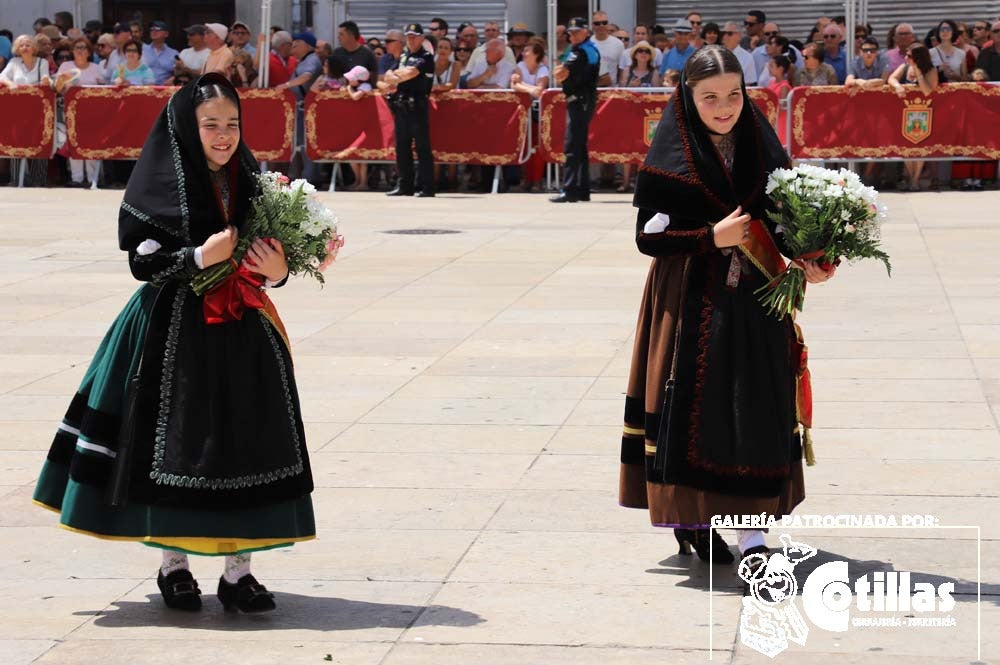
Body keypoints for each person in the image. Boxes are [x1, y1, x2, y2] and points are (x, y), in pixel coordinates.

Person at [32, 73, 320, 613]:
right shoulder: (158, 183)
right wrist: (196, 258)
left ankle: (240, 572)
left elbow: (273, 252)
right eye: (210, 124)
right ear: (187, 126)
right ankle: (174, 566)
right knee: (172, 441)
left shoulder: (253, 179)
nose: (223, 134)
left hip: (244, 327)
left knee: (248, 438)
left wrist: (279, 270)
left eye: (232, 124)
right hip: (172, 329)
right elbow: (142, 263)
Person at [621, 45, 832, 570]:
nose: (724, 106)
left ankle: (750, 530)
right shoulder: (671, 157)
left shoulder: (763, 150)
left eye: (734, 95)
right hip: (691, 297)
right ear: (688, 97)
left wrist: (816, 259)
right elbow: (649, 241)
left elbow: (787, 225)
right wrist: (710, 237)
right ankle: (695, 520)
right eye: (710, 96)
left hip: (758, 300)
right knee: (698, 410)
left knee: (754, 408)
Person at [550, 18, 599, 203]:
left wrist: (561, 72)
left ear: (586, 31)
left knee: (572, 147)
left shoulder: (582, 51)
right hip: (582, 101)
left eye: (576, 31)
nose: (572, 35)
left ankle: (570, 190)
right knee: (580, 146)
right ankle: (582, 190)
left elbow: (562, 73)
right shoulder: (588, 49)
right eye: (570, 32)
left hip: (580, 101)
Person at [383, 23, 435, 197]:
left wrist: (397, 76)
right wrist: (398, 75)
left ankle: (426, 187)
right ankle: (405, 185)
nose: (411, 40)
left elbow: (411, 73)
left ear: (421, 38)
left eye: (414, 36)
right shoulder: (403, 55)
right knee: (402, 148)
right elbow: (388, 75)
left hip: (417, 106)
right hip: (401, 106)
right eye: (408, 36)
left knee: (422, 148)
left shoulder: (426, 56)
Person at [54, 37, 107, 187]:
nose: (80, 50)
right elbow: (57, 89)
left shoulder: (96, 68)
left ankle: (92, 178)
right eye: (77, 47)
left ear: (89, 52)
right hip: (70, 111)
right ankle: (76, 178)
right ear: (72, 51)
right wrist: (61, 80)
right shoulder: (66, 65)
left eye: (83, 47)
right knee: (73, 142)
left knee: (90, 142)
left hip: (92, 112)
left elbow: (103, 88)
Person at [889, 44, 940, 191]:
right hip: (906, 113)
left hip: (924, 113)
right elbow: (892, 78)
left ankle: (915, 179)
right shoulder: (904, 67)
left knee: (920, 146)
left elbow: (927, 91)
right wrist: (898, 86)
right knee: (907, 146)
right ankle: (910, 177)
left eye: (910, 56)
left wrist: (918, 72)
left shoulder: (930, 70)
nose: (906, 58)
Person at [511, 38, 550, 192]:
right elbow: (514, 85)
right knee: (525, 146)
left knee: (538, 146)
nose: (524, 52)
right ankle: (526, 179)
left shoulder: (543, 69)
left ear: (536, 54)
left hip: (538, 113)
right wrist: (530, 89)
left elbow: (540, 89)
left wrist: (523, 86)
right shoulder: (520, 66)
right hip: (523, 112)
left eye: (527, 50)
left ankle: (537, 180)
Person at [333, 20, 377, 85]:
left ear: (351, 36)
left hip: (362, 92)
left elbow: (374, 77)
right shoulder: (336, 53)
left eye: (341, 34)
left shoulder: (368, 54)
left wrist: (359, 83)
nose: (338, 37)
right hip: (340, 92)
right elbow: (332, 75)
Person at [589, 10, 623, 87]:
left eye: (604, 23)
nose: (601, 25)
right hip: (591, 90)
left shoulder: (618, 44)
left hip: (612, 91)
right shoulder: (587, 44)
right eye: (597, 23)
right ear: (592, 25)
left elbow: (621, 69)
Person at [143, 20, 178, 85]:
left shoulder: (173, 53)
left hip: (165, 88)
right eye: (152, 29)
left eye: (157, 29)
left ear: (166, 34)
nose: (153, 32)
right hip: (144, 87)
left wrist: (173, 79)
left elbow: (179, 73)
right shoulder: (142, 50)